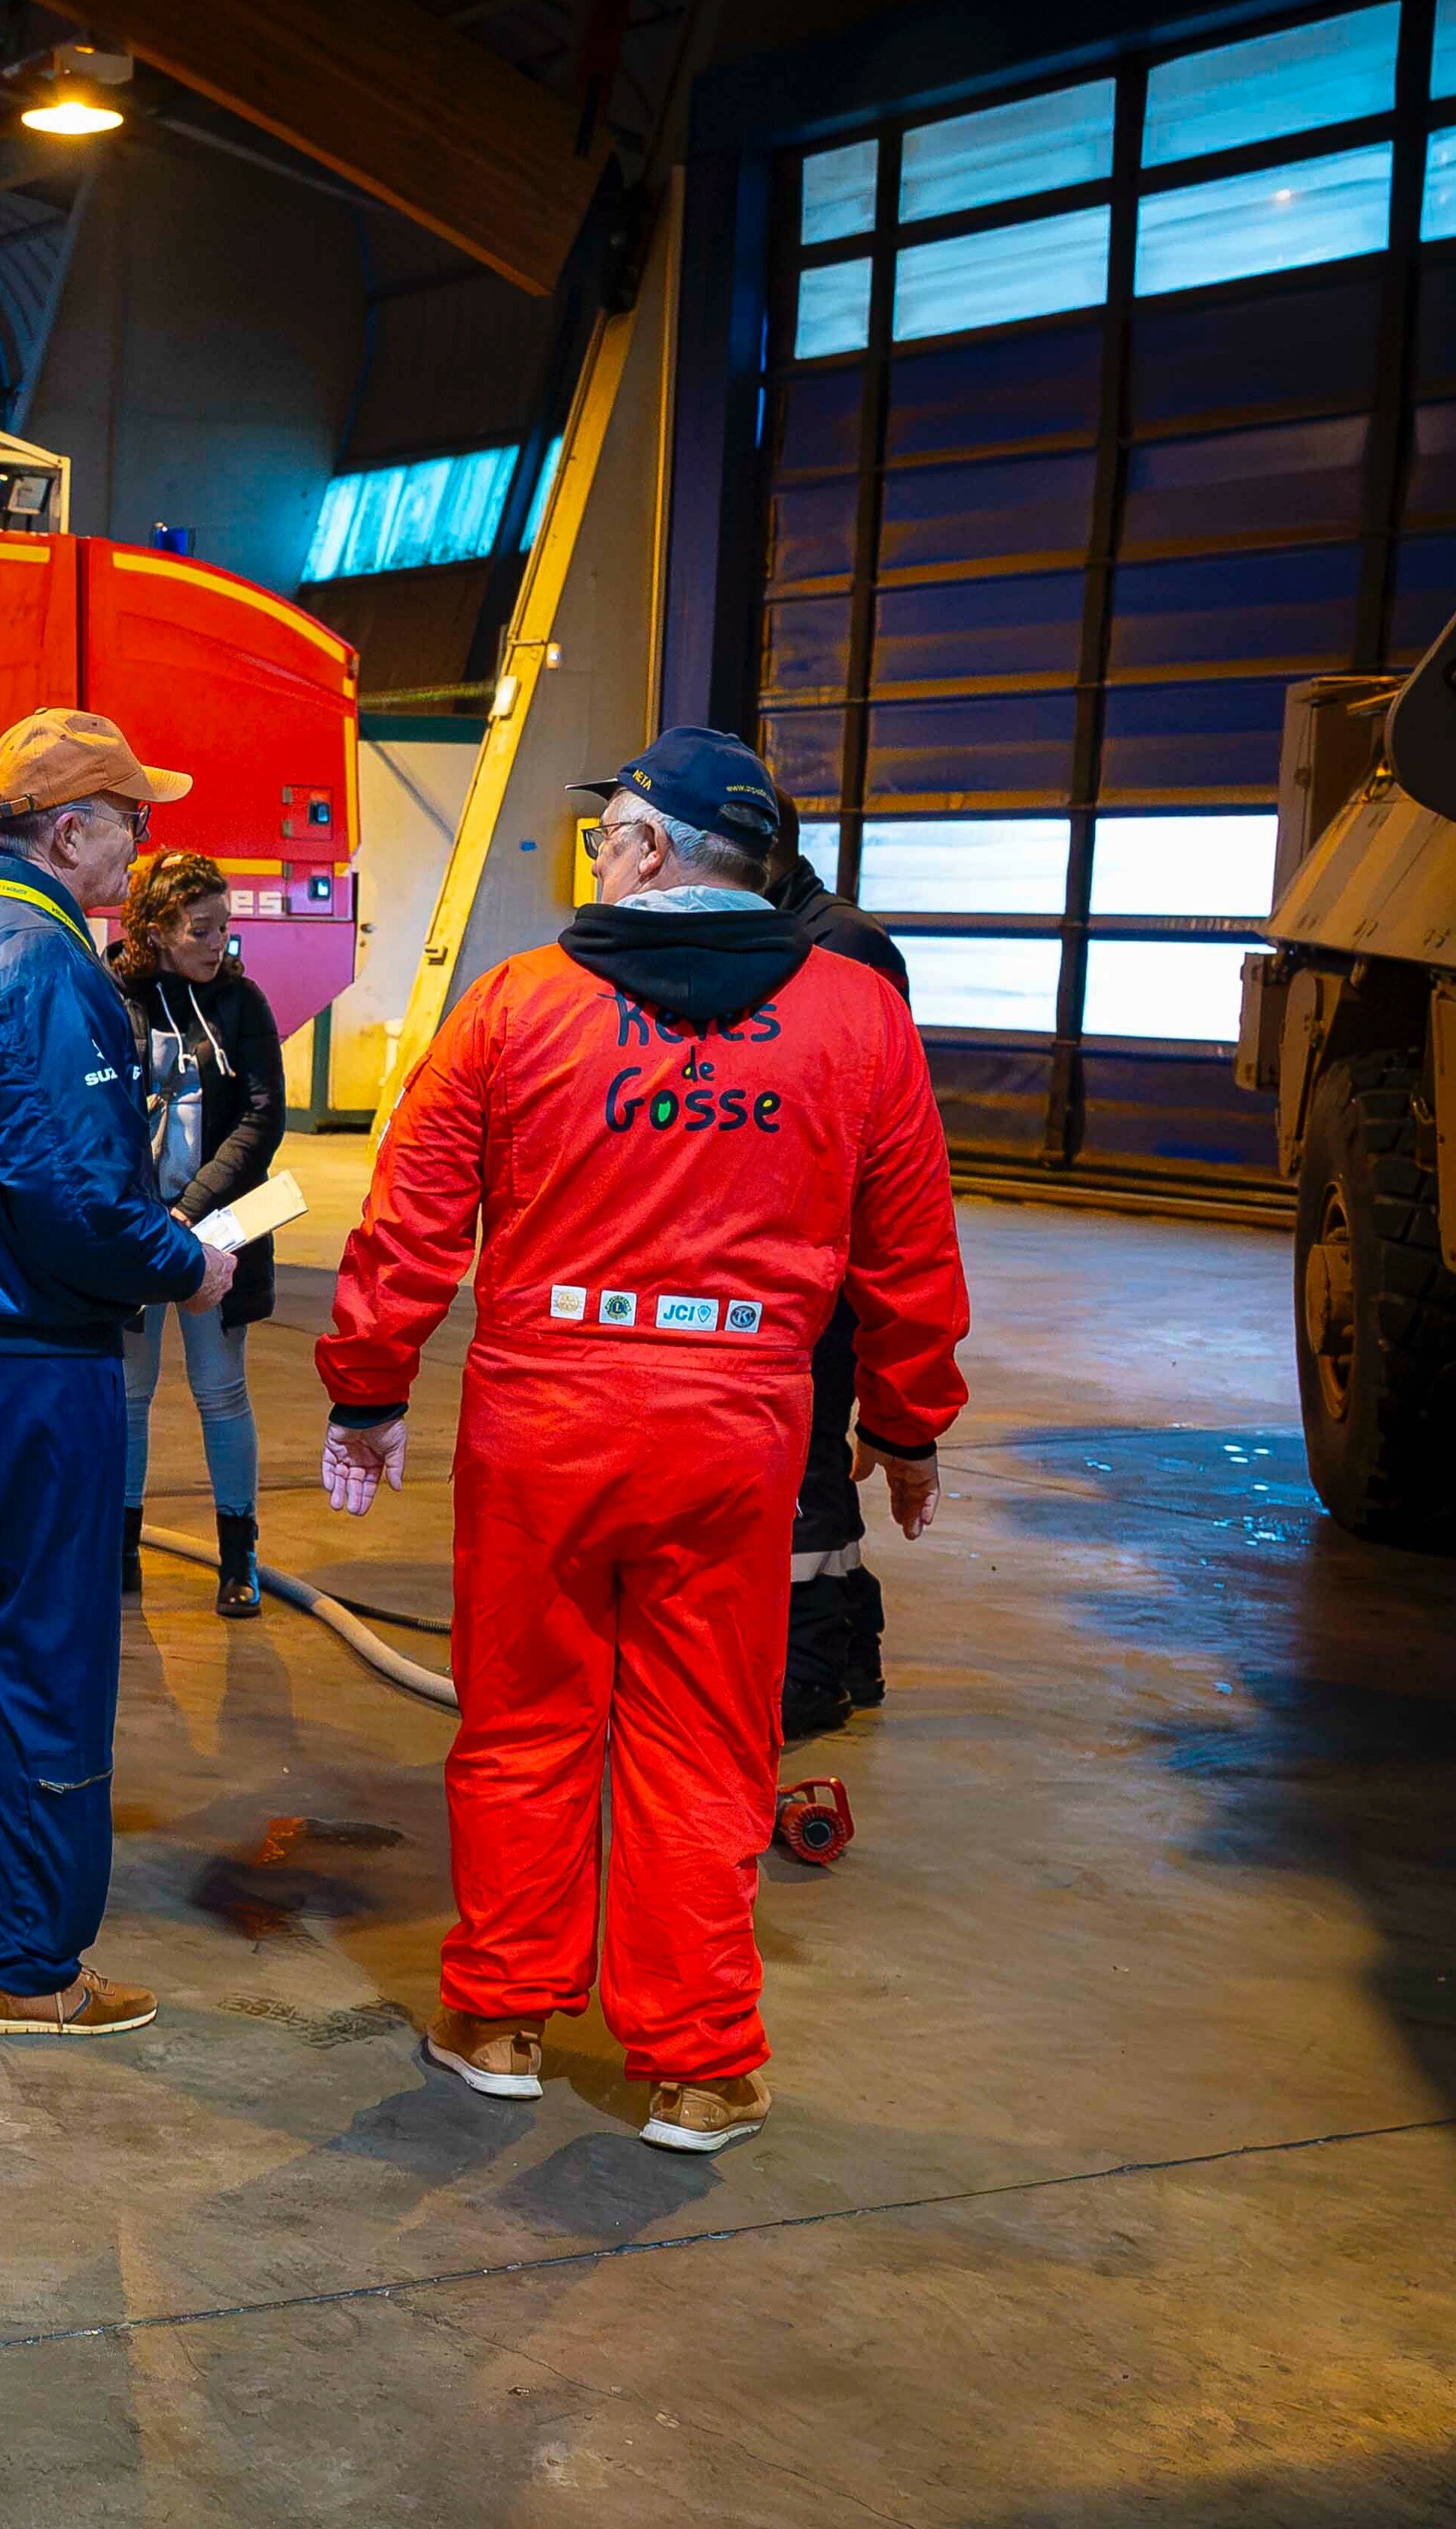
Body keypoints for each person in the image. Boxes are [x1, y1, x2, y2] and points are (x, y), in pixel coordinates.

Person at [319, 726, 969, 2155]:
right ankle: (700, 2061)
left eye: (610, 828)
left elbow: (413, 1208)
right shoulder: (858, 1018)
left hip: (544, 1416)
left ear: (658, 847)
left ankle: (498, 2015)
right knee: (703, 1737)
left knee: (526, 1718)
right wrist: (909, 1421)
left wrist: (368, 1385)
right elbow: (911, 1246)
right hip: (735, 1426)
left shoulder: (515, 1006)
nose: (597, 851)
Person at [0, 710, 237, 2039]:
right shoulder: (49, 965)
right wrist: (181, 1259)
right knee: (46, 1659)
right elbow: (73, 1197)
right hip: (28, 1367)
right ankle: (20, 1961)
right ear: (70, 830)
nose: (146, 842)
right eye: (133, 818)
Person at [108, 851, 291, 1616]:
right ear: (156, 929)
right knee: (129, 1395)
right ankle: (119, 1552)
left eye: (227, 927)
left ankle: (237, 1556)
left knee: (222, 1392)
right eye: (201, 929)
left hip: (216, 1228)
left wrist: (191, 1213)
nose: (220, 943)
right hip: (131, 1229)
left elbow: (261, 1117)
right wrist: (141, 1218)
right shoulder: (111, 994)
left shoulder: (242, 1005)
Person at [763, 833, 915, 1740]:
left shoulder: (839, 952)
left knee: (807, 1460)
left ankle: (811, 1675)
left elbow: (853, 1128)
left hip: (823, 1254)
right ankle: (851, 1655)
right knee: (814, 1458)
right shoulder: (807, 931)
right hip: (810, 1247)